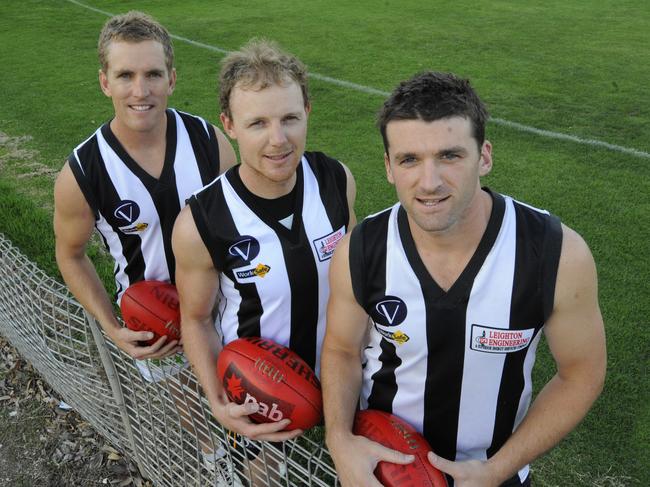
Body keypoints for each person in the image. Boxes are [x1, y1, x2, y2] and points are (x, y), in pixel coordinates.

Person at [321, 72, 606, 487]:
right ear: (387, 167)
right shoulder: (362, 248)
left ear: (484, 156)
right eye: (409, 160)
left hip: (497, 472)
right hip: (383, 471)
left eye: (450, 156)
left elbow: (581, 373)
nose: (430, 182)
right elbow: (342, 350)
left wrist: (497, 469)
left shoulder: (555, 252)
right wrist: (339, 440)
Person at [52, 10, 237, 484]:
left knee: (248, 400)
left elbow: (244, 222)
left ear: (172, 78)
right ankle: (214, 458)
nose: (141, 90)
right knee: (191, 402)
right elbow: (69, 255)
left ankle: (255, 465)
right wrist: (112, 327)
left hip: (228, 304)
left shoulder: (209, 141)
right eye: (126, 75)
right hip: (158, 319)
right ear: (104, 82)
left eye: (153, 74)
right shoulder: (83, 171)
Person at [172, 39, 356, 483]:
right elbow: (195, 320)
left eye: (290, 118)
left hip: (348, 381)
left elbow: (362, 279)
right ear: (229, 125)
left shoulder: (336, 180)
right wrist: (219, 401)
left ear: (308, 111)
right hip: (261, 393)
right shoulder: (201, 221)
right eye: (258, 123)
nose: (278, 140)